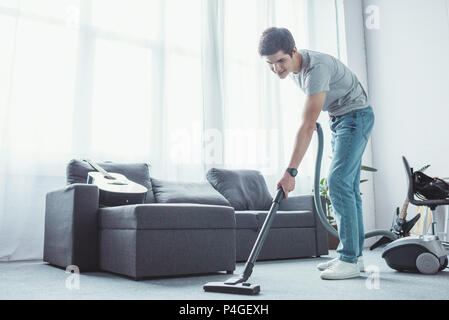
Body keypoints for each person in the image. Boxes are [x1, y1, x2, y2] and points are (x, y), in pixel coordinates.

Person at [258, 27, 374, 280]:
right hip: (342, 119)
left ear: (294, 51)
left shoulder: (316, 68)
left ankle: (349, 259)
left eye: (281, 61)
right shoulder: (293, 70)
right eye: (270, 64)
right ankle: (357, 257)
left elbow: (307, 125)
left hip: (355, 117)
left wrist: (290, 172)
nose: (277, 68)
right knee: (349, 188)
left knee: (338, 183)